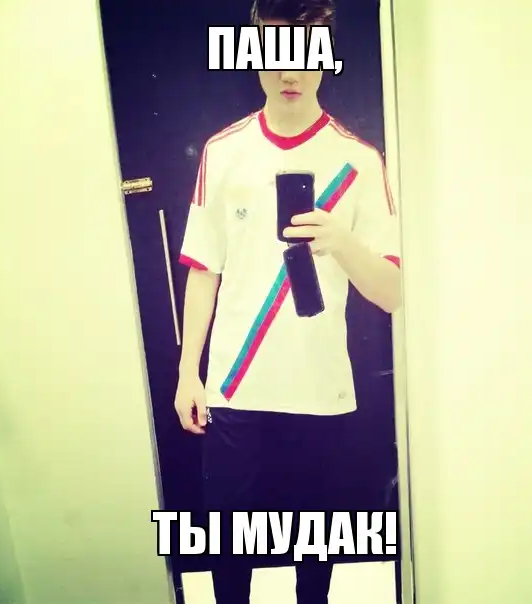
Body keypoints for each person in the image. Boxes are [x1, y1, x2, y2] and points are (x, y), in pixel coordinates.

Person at [175, 0, 402, 602]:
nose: (288, 69)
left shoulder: (359, 161)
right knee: (228, 551)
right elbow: (203, 268)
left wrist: (340, 240)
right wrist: (188, 371)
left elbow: (390, 292)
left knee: (313, 554)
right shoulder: (224, 152)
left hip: (317, 389)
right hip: (235, 386)